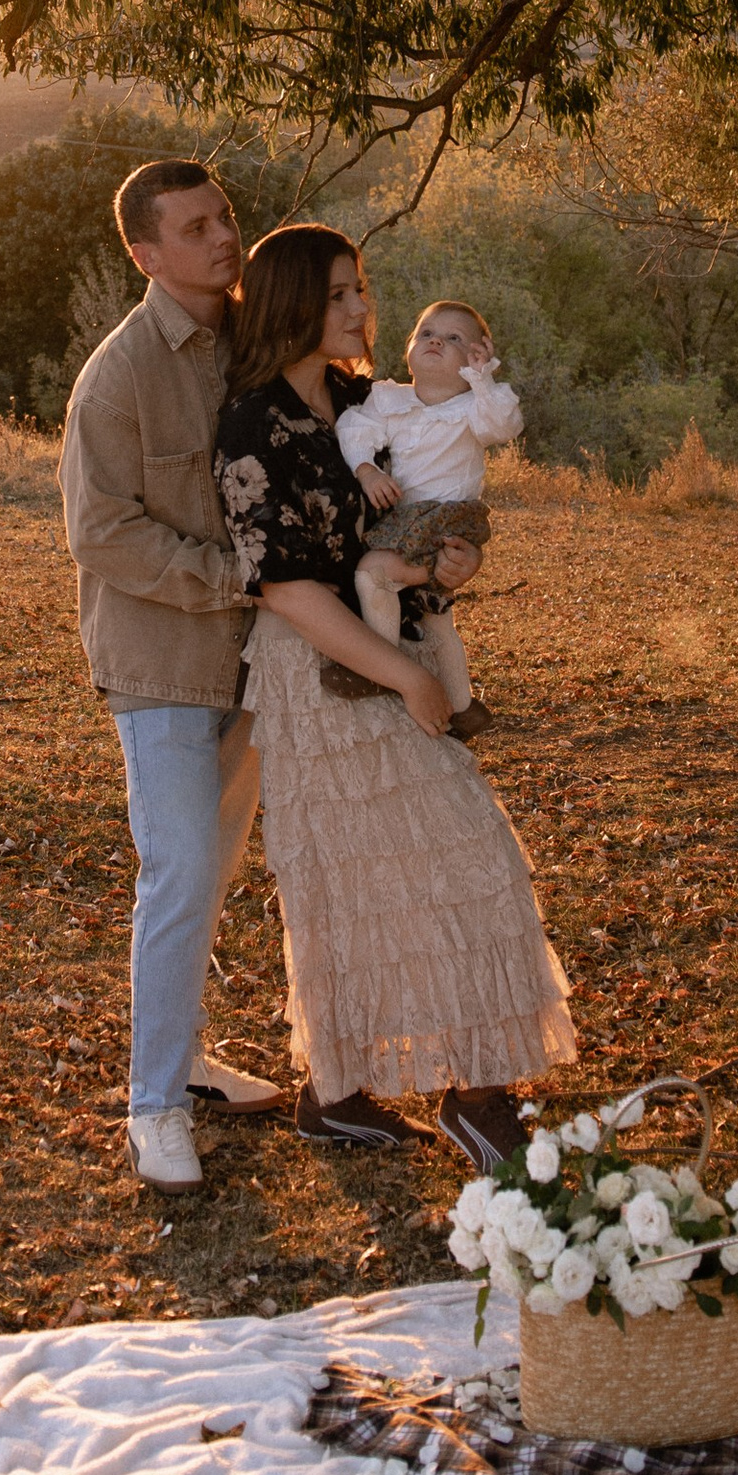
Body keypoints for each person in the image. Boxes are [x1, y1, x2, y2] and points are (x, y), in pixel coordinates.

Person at [214, 224, 577, 1170]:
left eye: (361, 291)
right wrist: (411, 674)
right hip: (320, 662)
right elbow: (282, 584)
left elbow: (432, 496)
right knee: (365, 877)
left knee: (451, 853)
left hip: (393, 634)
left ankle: (352, 1092)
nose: (363, 311)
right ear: (294, 301)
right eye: (341, 295)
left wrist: (450, 569)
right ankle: (436, 1096)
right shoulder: (253, 422)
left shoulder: (360, 397)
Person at [60, 157, 287, 1194]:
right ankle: (152, 1106)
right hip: (159, 661)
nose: (221, 236)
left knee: (212, 869)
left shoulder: (257, 344)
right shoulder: (118, 373)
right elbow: (99, 532)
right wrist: (235, 578)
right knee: (180, 869)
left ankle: (185, 1060)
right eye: (194, 227)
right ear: (145, 254)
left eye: (224, 217)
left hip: (254, 658)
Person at [337, 296, 523, 738]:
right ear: (409, 346)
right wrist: (365, 469)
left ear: (475, 356)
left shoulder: (474, 409)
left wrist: (482, 378)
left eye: (454, 338)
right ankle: (463, 706)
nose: (436, 340)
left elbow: (504, 426)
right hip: (409, 519)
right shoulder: (388, 398)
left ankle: (379, 670)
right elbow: (353, 428)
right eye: (427, 333)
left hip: (448, 521)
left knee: (371, 574)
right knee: (437, 615)